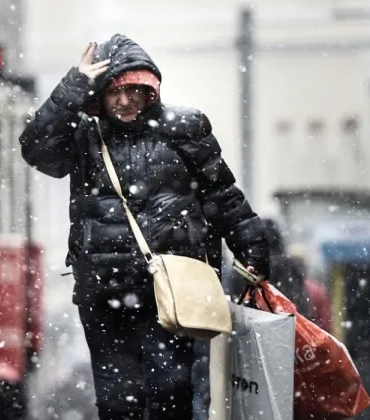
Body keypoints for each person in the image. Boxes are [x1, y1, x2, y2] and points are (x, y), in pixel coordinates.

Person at [19, 34, 270, 419]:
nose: (125, 100)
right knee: (119, 400)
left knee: (172, 392)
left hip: (175, 289)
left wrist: (252, 249)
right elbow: (37, 149)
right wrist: (75, 84)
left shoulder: (185, 127)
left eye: (134, 90)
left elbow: (222, 195)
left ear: (150, 89)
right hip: (105, 291)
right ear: (99, 95)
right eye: (114, 92)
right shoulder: (87, 134)